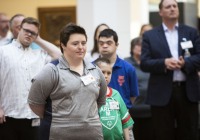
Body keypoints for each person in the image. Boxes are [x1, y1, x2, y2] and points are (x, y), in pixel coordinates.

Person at [28, 23, 107, 140]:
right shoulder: (51, 70)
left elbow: (100, 101)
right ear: (63, 45)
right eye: (75, 44)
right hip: (59, 134)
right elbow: (34, 102)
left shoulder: (96, 70)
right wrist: (59, 118)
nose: (81, 47)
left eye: (83, 43)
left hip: (93, 134)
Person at [140, 0, 200, 140]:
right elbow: (145, 63)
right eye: (168, 7)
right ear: (160, 12)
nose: (172, 9)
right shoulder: (150, 35)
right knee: (163, 133)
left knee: (189, 132)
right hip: (161, 92)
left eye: (174, 6)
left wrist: (186, 62)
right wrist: (164, 63)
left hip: (187, 91)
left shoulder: (191, 32)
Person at [0, 17, 61, 140]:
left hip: (33, 116)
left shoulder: (39, 55)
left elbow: (59, 55)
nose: (29, 34)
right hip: (8, 116)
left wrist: (38, 39)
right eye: (26, 30)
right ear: (19, 30)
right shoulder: (3, 51)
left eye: (33, 33)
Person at [97, 28, 139, 140]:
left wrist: (121, 108)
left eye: (109, 43)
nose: (104, 46)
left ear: (117, 45)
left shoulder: (128, 68)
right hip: (98, 120)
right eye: (101, 43)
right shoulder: (91, 67)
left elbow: (133, 96)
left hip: (123, 117)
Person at [95, 57, 134, 140]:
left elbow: (125, 121)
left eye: (109, 73)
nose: (105, 76)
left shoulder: (116, 94)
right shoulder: (91, 95)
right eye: (102, 72)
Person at [124, 37, 155, 140]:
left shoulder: (150, 63)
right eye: (138, 45)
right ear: (132, 48)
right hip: (133, 110)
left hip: (151, 109)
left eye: (143, 45)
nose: (141, 48)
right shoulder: (126, 63)